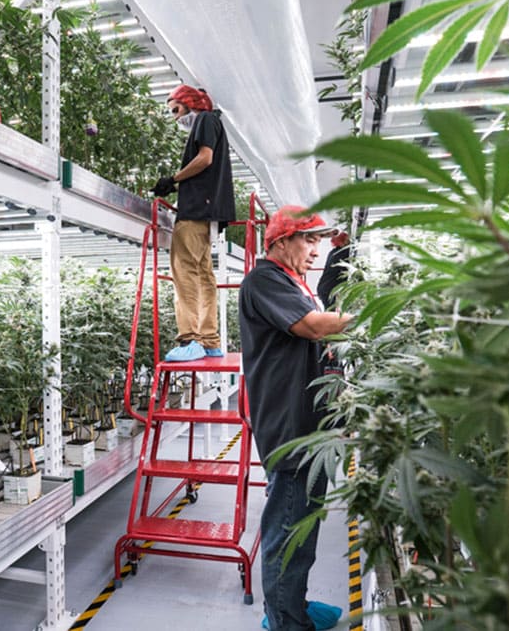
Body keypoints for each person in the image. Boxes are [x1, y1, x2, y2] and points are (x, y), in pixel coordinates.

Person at [239, 205, 353, 631]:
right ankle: (284, 621)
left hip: (311, 427)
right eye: (308, 239)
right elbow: (312, 327)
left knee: (302, 530)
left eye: (318, 241)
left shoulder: (296, 283)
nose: (315, 249)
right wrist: (373, 317)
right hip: (290, 432)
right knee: (287, 531)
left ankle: (294, 607)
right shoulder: (264, 278)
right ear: (280, 241)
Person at [152, 84, 235, 362]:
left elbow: (204, 158)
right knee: (203, 276)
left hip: (197, 210)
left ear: (190, 103)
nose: (176, 117)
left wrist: (173, 180)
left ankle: (189, 339)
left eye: (176, 110)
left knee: (184, 272)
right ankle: (209, 340)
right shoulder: (212, 123)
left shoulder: (205, 119)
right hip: (208, 211)